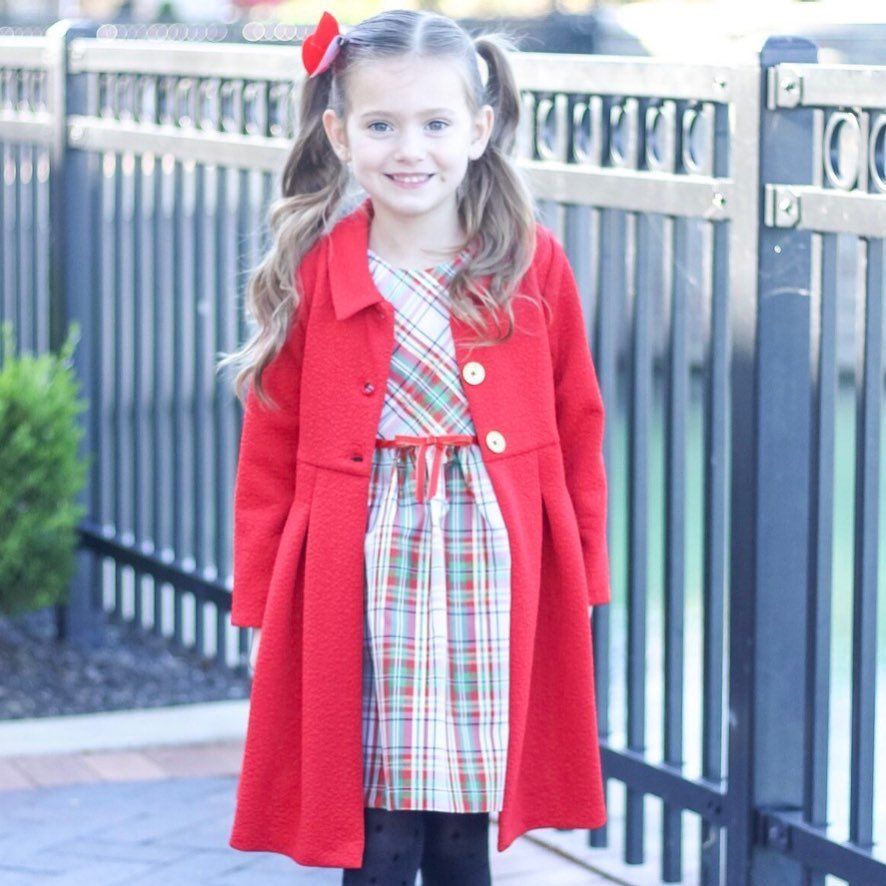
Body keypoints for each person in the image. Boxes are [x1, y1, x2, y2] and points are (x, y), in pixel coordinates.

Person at [218, 8, 611, 884]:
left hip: (488, 572)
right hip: (365, 571)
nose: (410, 149)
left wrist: (581, 575)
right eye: (382, 125)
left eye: (435, 124)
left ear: (478, 129)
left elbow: (578, 425)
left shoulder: (530, 265)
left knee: (464, 819)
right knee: (380, 815)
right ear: (339, 132)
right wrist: (260, 603)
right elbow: (271, 448)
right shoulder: (316, 268)